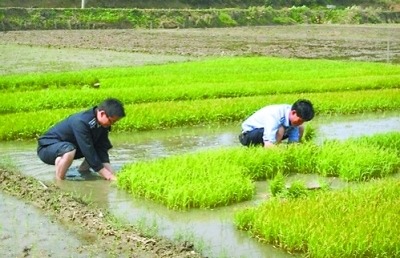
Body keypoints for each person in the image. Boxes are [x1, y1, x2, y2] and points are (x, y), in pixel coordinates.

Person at [37, 98, 126, 181]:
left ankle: (83, 171)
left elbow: (101, 149)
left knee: (93, 147)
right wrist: (108, 176)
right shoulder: (81, 122)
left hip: (69, 147)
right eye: (111, 121)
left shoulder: (103, 124)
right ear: (102, 113)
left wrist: (112, 173)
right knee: (69, 150)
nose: (112, 124)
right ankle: (60, 180)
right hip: (47, 149)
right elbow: (87, 150)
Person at [239, 99, 314, 148]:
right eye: (300, 120)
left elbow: (293, 142)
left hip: (265, 132)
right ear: (293, 113)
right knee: (280, 129)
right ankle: (271, 151)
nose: (301, 122)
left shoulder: (293, 117)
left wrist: (294, 149)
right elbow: (268, 142)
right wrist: (277, 151)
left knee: (300, 128)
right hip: (248, 135)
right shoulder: (275, 115)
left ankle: (275, 145)